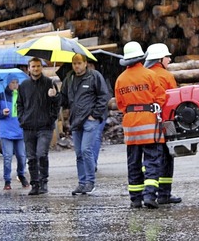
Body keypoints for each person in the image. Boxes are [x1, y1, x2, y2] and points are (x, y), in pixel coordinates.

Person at [114, 41, 166, 209]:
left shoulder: (120, 79)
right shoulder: (150, 75)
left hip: (130, 125)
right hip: (149, 123)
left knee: (133, 161)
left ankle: (135, 198)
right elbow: (161, 98)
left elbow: (120, 104)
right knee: (152, 160)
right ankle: (150, 195)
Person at [59, 53, 110, 195]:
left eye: (79, 63)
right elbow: (64, 99)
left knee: (86, 150)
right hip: (76, 121)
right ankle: (82, 183)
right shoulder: (69, 78)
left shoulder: (94, 76)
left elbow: (103, 95)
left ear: (85, 63)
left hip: (89, 120)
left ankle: (90, 182)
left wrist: (95, 114)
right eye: (74, 63)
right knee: (79, 153)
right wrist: (55, 95)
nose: (76, 66)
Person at [144, 43, 182, 205]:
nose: (169, 59)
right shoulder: (166, 76)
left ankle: (149, 192)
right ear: (160, 59)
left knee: (151, 158)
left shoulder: (144, 74)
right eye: (167, 56)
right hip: (165, 122)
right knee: (166, 157)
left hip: (147, 122)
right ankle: (164, 194)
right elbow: (173, 100)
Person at [18, 57, 60, 195]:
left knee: (41, 154)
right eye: (33, 66)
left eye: (38, 66)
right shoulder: (23, 86)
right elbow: (20, 104)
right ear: (28, 68)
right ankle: (34, 184)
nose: (36, 69)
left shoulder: (49, 83)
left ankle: (43, 181)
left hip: (45, 127)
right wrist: (22, 119)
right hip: (28, 127)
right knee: (31, 158)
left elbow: (57, 104)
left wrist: (53, 98)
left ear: (42, 68)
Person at [0, 75, 29, 190]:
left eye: (16, 83)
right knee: (7, 157)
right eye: (12, 82)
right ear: (8, 83)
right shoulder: (0, 96)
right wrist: (2, 112)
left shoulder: (22, 96)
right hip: (6, 131)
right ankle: (7, 180)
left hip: (20, 130)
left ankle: (21, 175)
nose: (15, 85)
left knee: (22, 156)